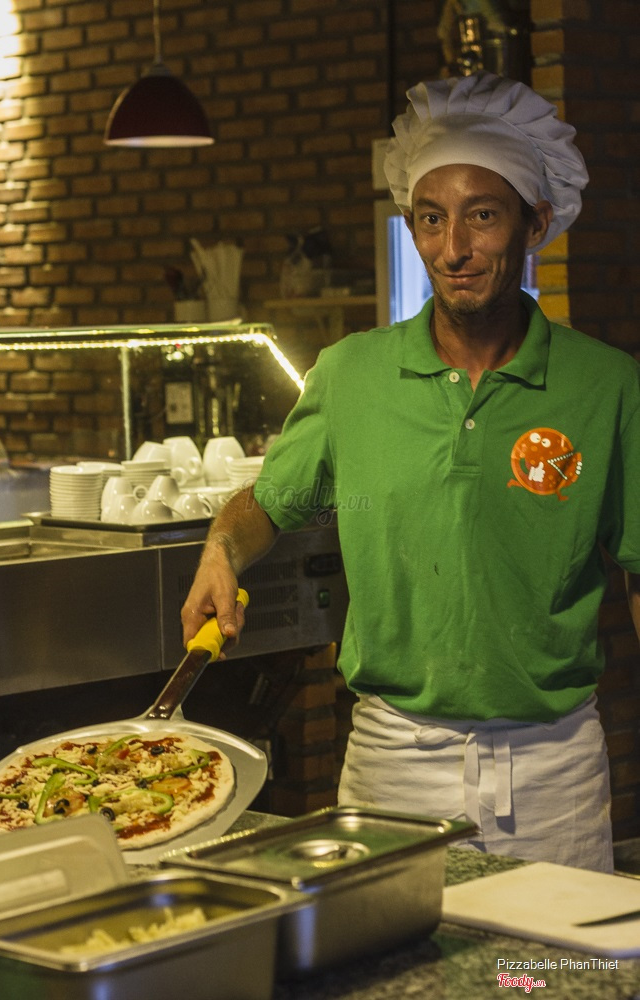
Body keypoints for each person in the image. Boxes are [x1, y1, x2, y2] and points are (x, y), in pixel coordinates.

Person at [181, 71, 640, 873]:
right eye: (430, 219)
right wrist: (220, 551)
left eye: (482, 215)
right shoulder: (350, 373)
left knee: (549, 956)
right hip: (391, 758)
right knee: (392, 953)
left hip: (552, 765)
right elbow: (270, 503)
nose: (452, 248)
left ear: (534, 223)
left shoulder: (605, 385)